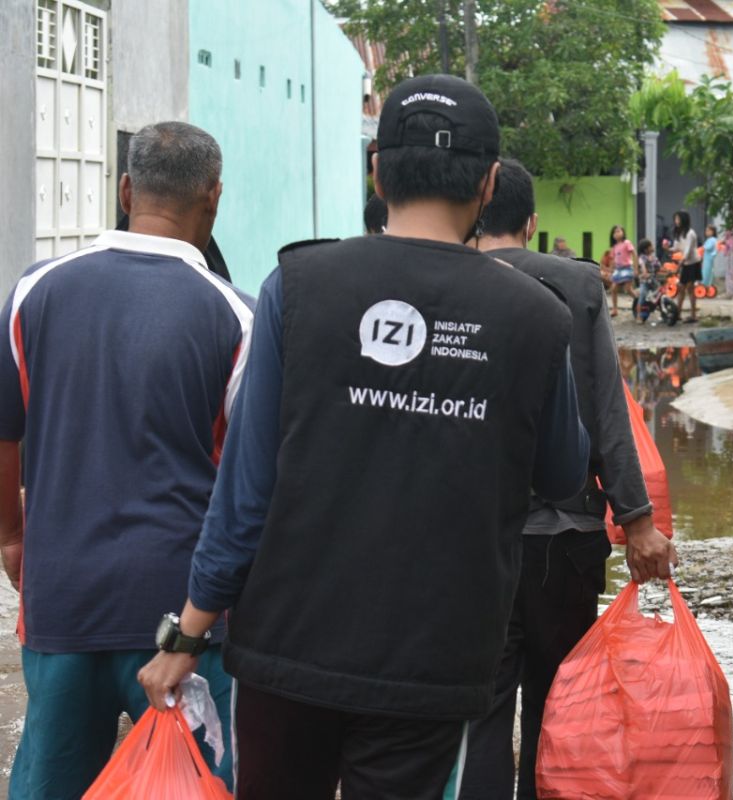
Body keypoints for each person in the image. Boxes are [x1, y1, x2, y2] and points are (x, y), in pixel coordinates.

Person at [137, 75, 591, 800]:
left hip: (290, 647)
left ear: (377, 168)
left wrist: (188, 634)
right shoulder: (536, 316)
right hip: (437, 658)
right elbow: (566, 471)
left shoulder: (298, 286)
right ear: (490, 180)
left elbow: (246, 492)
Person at [0, 121, 249, 798]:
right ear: (213, 200)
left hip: (60, 604)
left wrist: (14, 537)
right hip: (183, 624)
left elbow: (5, 432)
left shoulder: (33, 292)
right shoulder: (238, 317)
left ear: (126, 188)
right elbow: (246, 483)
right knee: (190, 786)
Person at [462, 158, 675, 800]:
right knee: (560, 710)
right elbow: (608, 412)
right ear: (532, 222)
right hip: (567, 540)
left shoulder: (454, 281)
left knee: (481, 714)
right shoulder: (576, 287)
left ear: (477, 210)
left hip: (476, 544)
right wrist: (637, 522)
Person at [668, 211, 702, 322]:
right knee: (682, 288)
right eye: (675, 219)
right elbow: (676, 248)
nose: (676, 221)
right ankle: (678, 313)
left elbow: (686, 253)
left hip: (692, 263)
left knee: (690, 289)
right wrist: (667, 248)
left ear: (683, 220)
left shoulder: (690, 233)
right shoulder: (679, 233)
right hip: (686, 263)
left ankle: (693, 315)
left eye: (678, 219)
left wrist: (678, 267)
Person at [608, 224, 636, 317]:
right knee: (613, 289)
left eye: (619, 231)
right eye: (614, 232)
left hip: (627, 268)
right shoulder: (615, 246)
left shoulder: (627, 243)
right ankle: (615, 309)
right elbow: (614, 259)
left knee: (628, 289)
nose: (616, 233)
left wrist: (636, 268)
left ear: (623, 233)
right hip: (618, 270)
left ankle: (639, 301)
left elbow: (634, 254)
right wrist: (611, 270)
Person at [636, 237, 660, 323]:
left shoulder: (654, 257)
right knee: (642, 296)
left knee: (659, 294)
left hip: (653, 280)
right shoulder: (642, 258)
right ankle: (638, 316)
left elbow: (658, 268)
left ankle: (662, 310)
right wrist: (645, 273)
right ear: (646, 249)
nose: (653, 247)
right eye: (650, 246)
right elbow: (643, 267)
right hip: (645, 281)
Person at [701, 224, 719, 288]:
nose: (706, 232)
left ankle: (705, 283)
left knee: (706, 270)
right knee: (704, 270)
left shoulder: (713, 239)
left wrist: (703, 247)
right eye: (706, 231)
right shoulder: (710, 239)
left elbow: (708, 247)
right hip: (706, 257)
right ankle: (705, 283)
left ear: (712, 232)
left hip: (709, 258)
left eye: (708, 231)